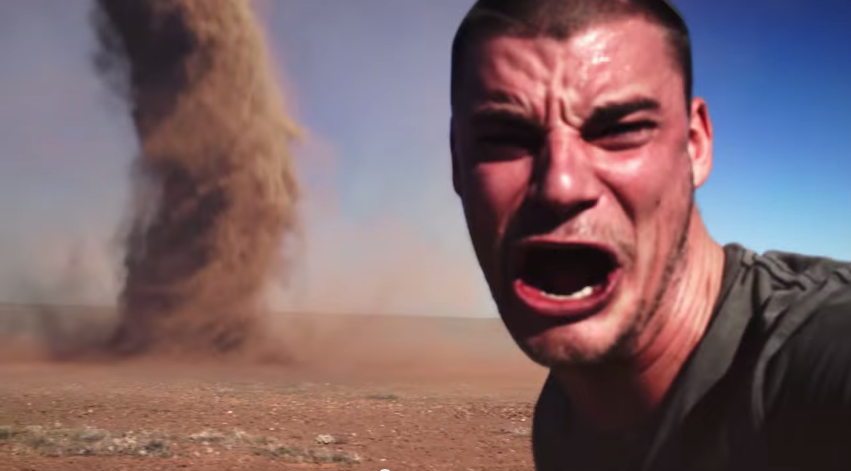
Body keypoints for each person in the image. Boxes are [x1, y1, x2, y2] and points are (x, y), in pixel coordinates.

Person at [448, 0, 851, 470]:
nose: (560, 185)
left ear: (695, 146)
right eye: (504, 137)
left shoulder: (814, 368)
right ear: (457, 161)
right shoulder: (563, 412)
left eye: (621, 129)